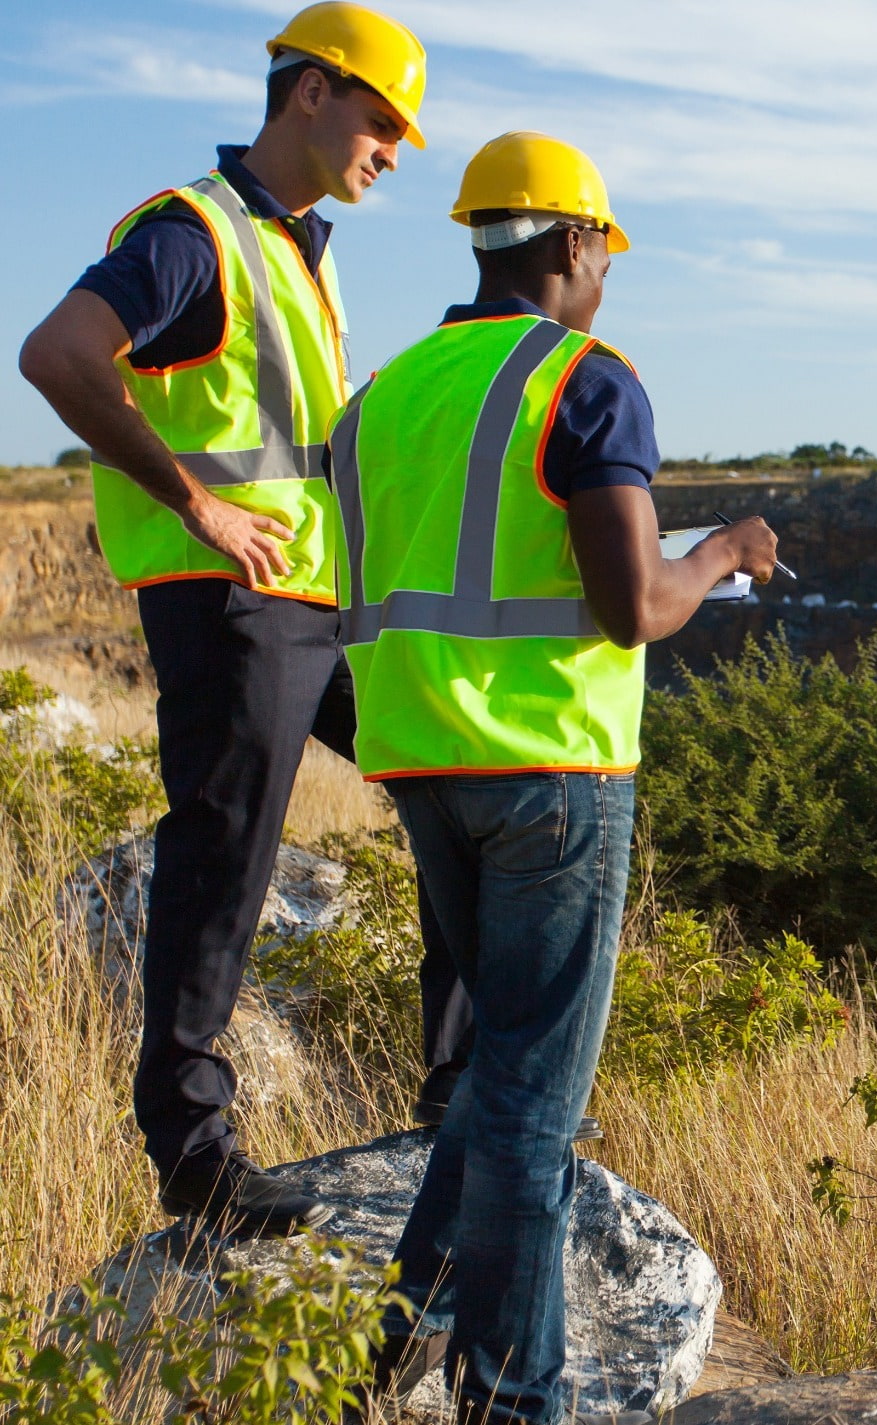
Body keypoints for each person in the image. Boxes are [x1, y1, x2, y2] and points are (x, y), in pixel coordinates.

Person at [328, 131, 778, 1425]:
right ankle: (513, 1402)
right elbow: (632, 603)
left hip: (421, 767)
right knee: (531, 1106)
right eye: (603, 256)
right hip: (553, 773)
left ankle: (387, 1345)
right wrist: (724, 552)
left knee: (491, 1080)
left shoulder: (386, 396)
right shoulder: (587, 381)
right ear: (576, 244)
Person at [19, 2, 429, 1237]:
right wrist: (194, 503)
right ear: (310, 93)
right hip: (236, 602)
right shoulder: (192, 233)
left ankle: (466, 1090)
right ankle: (195, 1155)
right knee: (222, 859)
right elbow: (55, 353)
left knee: (459, 777)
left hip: (316, 597)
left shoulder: (299, 244)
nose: (394, 149)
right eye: (381, 117)